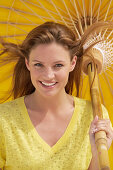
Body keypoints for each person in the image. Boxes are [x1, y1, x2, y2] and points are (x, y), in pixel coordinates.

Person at [0, 21, 113, 170]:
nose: (48, 75)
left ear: (73, 63)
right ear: (27, 63)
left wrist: (97, 152)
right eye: (38, 65)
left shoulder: (94, 116)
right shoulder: (4, 119)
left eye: (58, 65)